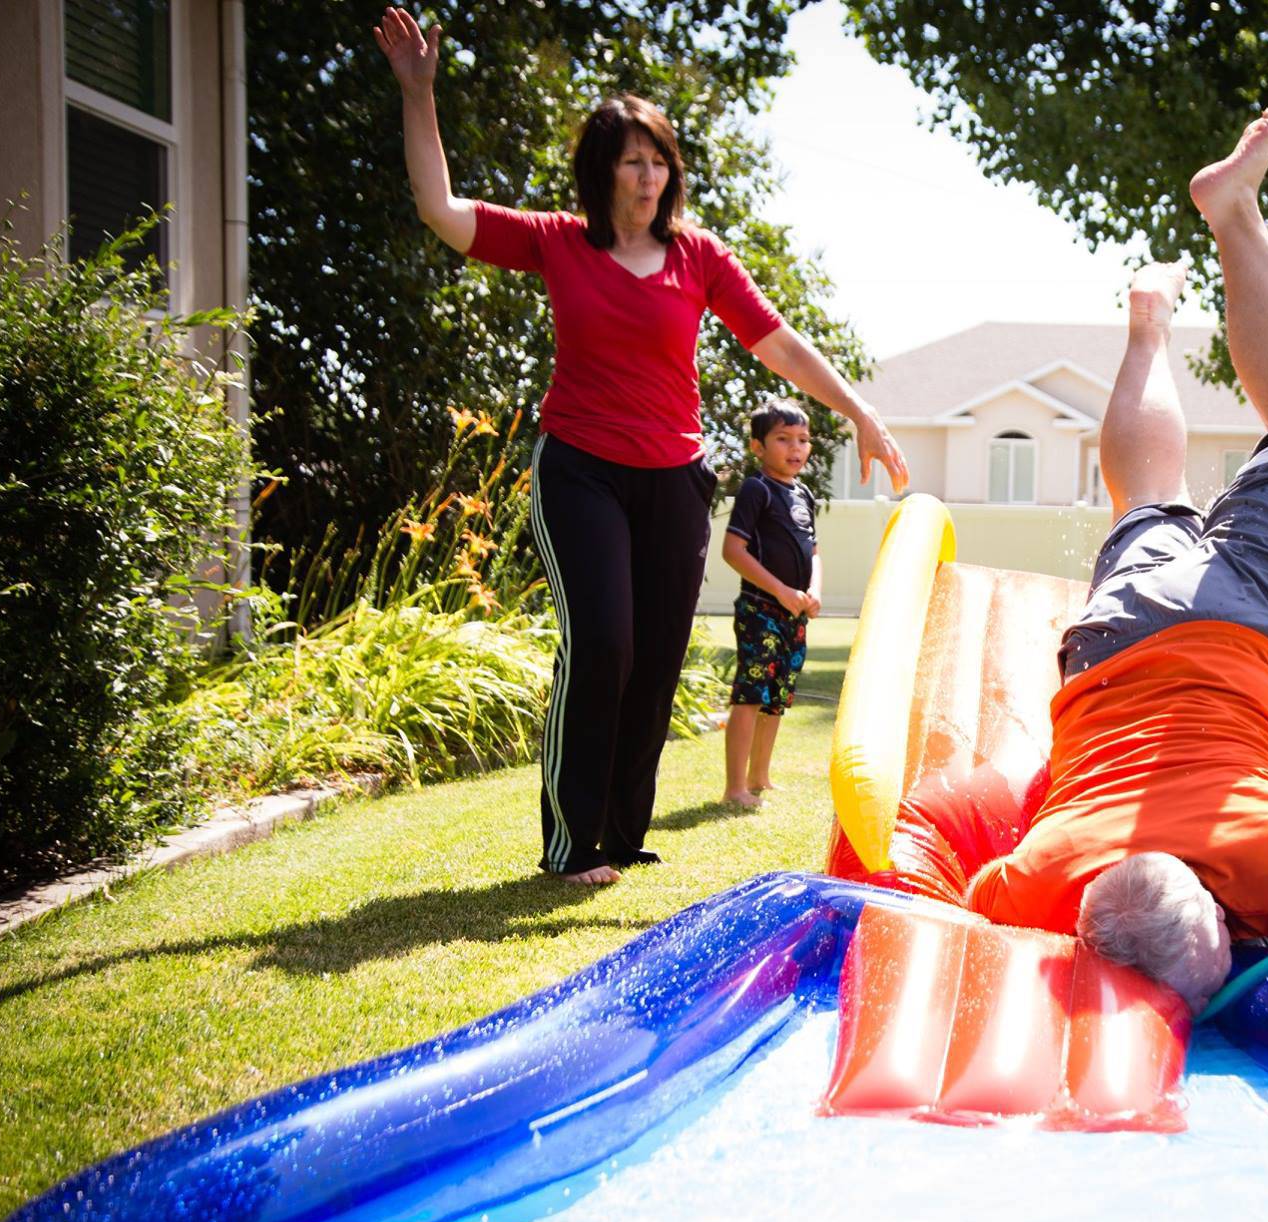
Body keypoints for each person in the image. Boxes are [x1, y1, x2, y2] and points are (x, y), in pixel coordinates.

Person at [373, 8, 907, 885]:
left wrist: (857, 410)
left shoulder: (696, 257)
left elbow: (775, 342)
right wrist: (420, 95)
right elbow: (441, 210)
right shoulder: (557, 242)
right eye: (634, 157)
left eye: (660, 158)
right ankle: (569, 843)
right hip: (580, 469)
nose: (650, 173)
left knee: (657, 660)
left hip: (673, 481)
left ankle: (622, 834)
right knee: (605, 645)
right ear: (604, 170)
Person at [962, 102, 1268, 1012]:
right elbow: (982, 907)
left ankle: (1233, 216)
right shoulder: (1035, 882)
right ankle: (1147, 328)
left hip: (1233, 624)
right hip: (1108, 643)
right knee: (1143, 499)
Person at [720, 400, 821, 809]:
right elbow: (733, 550)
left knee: (779, 696)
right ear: (758, 447)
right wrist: (780, 589)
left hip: (794, 613)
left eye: (802, 440)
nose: (795, 448)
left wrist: (813, 589)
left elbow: (814, 551)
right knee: (750, 694)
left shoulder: (804, 494)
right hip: (761, 608)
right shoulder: (756, 489)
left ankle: (760, 776)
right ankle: (734, 787)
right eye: (783, 439)